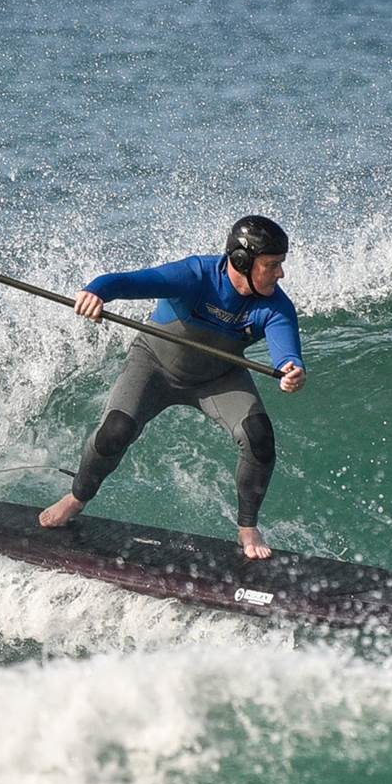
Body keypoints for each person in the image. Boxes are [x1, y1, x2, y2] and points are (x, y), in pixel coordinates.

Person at [40, 216, 306, 559]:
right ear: (242, 261)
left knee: (259, 438)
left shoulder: (275, 305)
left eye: (280, 264)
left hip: (219, 378)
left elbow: (287, 353)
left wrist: (292, 369)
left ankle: (247, 527)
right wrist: (96, 292)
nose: (281, 274)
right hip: (153, 365)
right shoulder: (196, 275)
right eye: (272, 265)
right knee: (114, 432)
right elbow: (128, 281)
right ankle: (76, 498)